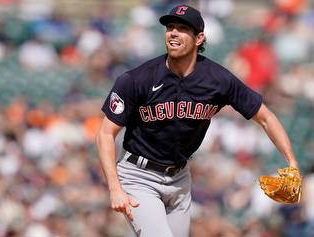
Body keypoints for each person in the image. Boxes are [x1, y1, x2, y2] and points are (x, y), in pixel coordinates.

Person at [96, 4, 300, 237]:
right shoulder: (137, 79)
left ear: (199, 37)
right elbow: (105, 134)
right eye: (170, 27)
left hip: (180, 179)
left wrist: (292, 161)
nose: (173, 32)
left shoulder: (217, 79)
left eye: (182, 28)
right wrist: (115, 188)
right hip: (138, 176)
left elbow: (265, 118)